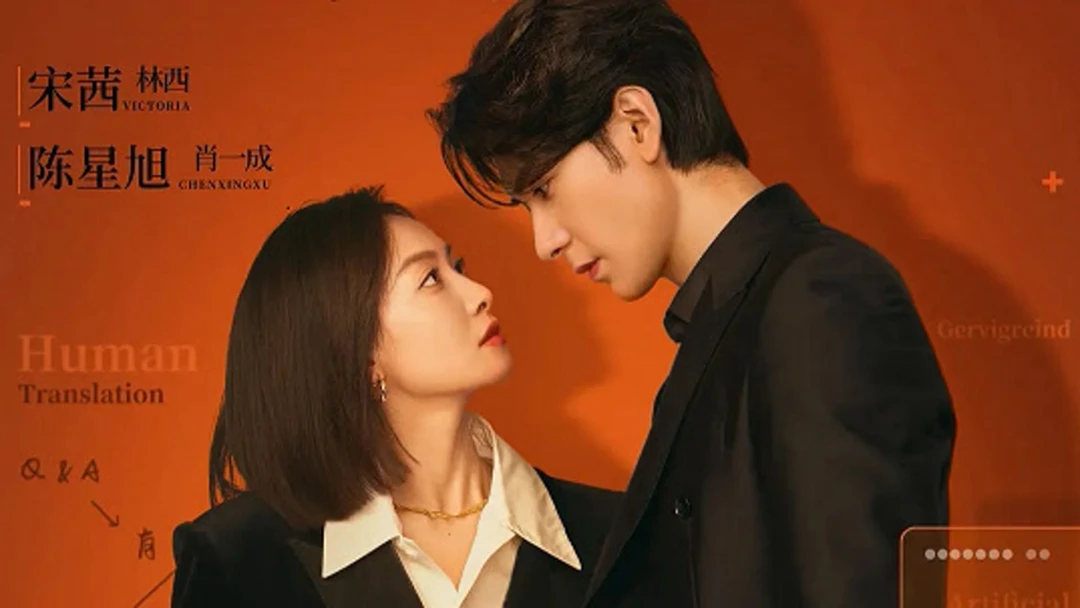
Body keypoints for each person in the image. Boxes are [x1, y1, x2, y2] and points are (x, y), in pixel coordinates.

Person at [426, 1, 956, 605]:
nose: (544, 242)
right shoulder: (735, 319)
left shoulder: (821, 300)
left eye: (544, 188)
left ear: (636, 123)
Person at [170, 186, 620, 608]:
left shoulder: (615, 536)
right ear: (360, 351)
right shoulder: (241, 558)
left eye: (457, 268)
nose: (480, 293)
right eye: (431, 279)